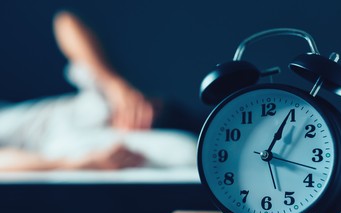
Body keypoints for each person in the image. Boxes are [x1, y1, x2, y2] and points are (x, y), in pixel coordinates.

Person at [0, 11, 196, 171]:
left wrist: (74, 165)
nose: (141, 114)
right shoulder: (103, 98)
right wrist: (114, 84)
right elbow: (65, 21)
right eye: (150, 106)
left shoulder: (101, 145)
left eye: (151, 119)